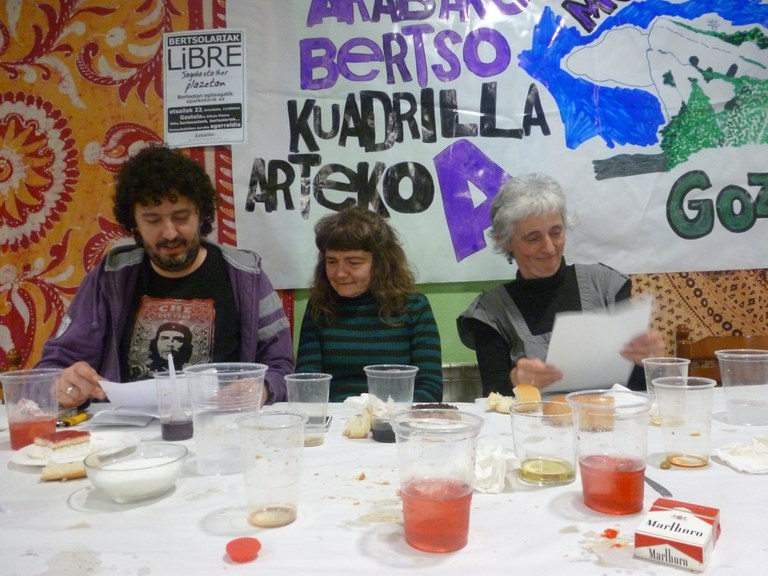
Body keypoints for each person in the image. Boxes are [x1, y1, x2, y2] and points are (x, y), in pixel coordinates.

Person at [38, 145, 294, 408]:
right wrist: (64, 384)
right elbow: (54, 367)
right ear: (134, 223)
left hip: (219, 424)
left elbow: (281, 366)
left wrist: (261, 389)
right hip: (127, 428)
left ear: (201, 214)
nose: (170, 233)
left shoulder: (246, 276)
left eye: (181, 217)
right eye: (152, 220)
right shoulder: (110, 278)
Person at [457, 173, 664, 397]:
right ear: (505, 241)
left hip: (609, 416)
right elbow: (492, 398)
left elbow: (637, 389)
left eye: (556, 233)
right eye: (533, 238)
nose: (549, 248)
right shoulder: (490, 313)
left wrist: (649, 362)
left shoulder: (605, 286)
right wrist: (515, 380)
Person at [295, 206, 443, 402]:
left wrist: (389, 413)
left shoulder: (414, 307)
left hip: (395, 416)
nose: (340, 273)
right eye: (331, 262)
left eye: (353, 263)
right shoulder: (319, 307)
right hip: (336, 417)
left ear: (381, 264)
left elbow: (430, 387)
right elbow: (308, 383)